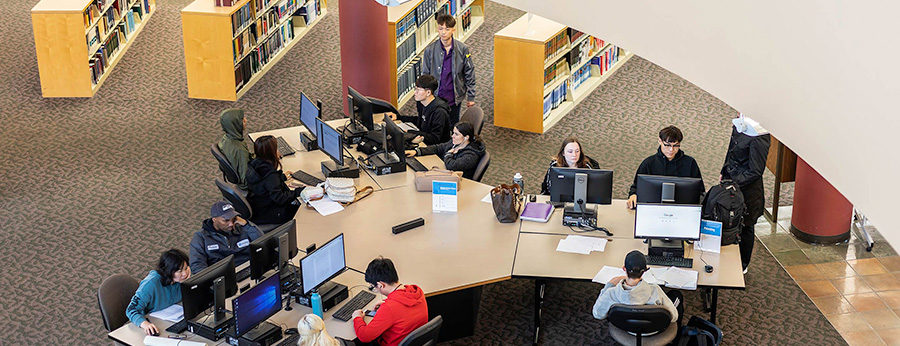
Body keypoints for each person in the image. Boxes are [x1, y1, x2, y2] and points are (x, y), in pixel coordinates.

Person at [720, 116, 771, 272]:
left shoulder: (760, 135)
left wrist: (734, 182)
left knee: (746, 226)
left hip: (748, 189)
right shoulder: (739, 124)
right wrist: (724, 172)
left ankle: (743, 264)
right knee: (726, 218)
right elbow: (731, 149)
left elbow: (755, 171)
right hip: (730, 181)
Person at [592, 251, 683, 327]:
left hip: (625, 328)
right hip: (652, 330)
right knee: (676, 295)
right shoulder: (655, 291)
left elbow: (597, 314)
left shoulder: (611, 293)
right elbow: (674, 317)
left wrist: (609, 284)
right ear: (645, 270)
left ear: (624, 268)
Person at [352, 257, 428, 346]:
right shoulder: (416, 291)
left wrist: (357, 318)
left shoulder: (389, 308)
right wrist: (388, 302)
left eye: (374, 287)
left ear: (381, 285)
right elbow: (402, 310)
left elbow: (364, 337)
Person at [626, 126, 703, 209]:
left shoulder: (690, 163)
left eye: (676, 146)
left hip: (682, 209)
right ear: (660, 141)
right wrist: (633, 195)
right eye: (667, 145)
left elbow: (700, 191)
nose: (671, 150)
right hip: (653, 209)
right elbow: (635, 188)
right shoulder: (648, 163)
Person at [420, 13, 476, 126]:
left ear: (453, 30)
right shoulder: (430, 50)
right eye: (441, 29)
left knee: (453, 125)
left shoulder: (463, 49)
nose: (443, 32)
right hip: (436, 97)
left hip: (454, 97)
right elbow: (425, 75)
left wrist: (471, 96)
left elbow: (469, 72)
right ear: (437, 29)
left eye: (447, 29)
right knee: (436, 126)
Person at [126, 249, 191, 336]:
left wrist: (189, 282)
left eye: (186, 268)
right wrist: (145, 324)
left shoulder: (180, 280)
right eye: (179, 271)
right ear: (169, 271)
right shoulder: (151, 284)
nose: (185, 273)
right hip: (151, 325)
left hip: (170, 320)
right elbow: (131, 309)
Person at [189, 200, 263, 273]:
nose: (231, 224)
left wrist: (247, 225)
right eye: (226, 220)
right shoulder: (201, 237)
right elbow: (197, 265)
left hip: (249, 268)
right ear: (214, 219)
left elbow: (263, 243)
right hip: (222, 275)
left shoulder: (243, 227)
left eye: (233, 219)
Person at [246, 135, 306, 225]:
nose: (278, 152)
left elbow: (264, 183)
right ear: (271, 153)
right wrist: (299, 191)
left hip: (258, 206)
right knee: (302, 210)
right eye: (276, 149)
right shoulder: (271, 175)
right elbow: (280, 198)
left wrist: (280, 178)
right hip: (270, 212)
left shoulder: (254, 164)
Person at [405, 121, 485, 179]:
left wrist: (448, 154)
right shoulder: (455, 143)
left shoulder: (471, 155)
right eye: (453, 133)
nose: (452, 136)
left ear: (466, 137)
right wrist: (417, 151)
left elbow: (451, 165)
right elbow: (438, 148)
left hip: (459, 181)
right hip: (446, 174)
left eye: (456, 134)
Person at [388, 75, 451, 146]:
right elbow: (420, 121)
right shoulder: (421, 103)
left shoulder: (439, 112)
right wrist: (398, 117)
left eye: (418, 90)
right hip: (424, 140)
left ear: (428, 93)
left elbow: (435, 138)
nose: (415, 92)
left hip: (436, 148)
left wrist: (411, 132)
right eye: (415, 89)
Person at [219, 109, 253, 190]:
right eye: (242, 119)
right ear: (236, 124)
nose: (246, 120)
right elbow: (245, 180)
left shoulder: (226, 139)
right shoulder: (239, 149)